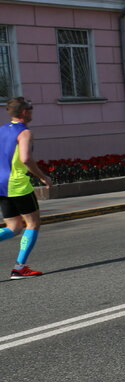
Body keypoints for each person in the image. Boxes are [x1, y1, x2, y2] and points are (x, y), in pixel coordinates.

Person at [0, 98, 51, 279]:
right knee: (32, 223)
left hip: (1, 184)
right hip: (18, 184)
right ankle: (19, 267)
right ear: (23, 112)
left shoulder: (2, 130)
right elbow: (25, 159)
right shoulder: (24, 133)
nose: (32, 111)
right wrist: (43, 177)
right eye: (30, 108)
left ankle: (20, 267)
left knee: (13, 227)